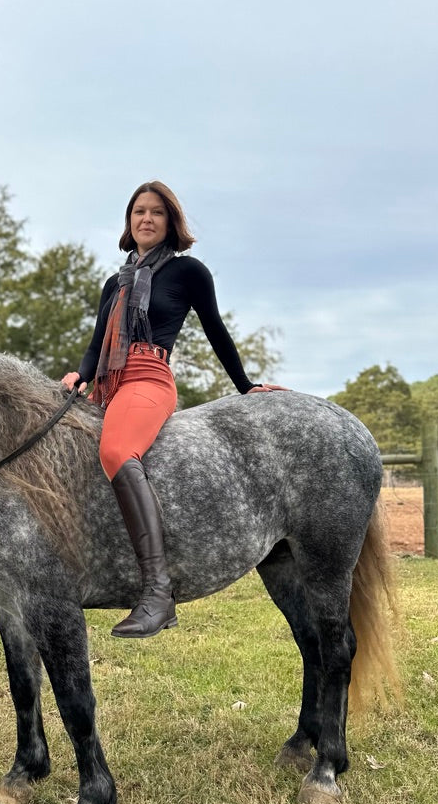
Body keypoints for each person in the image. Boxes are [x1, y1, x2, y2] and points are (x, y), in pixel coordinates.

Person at [61, 180, 286, 639]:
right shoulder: (116, 282)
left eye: (156, 213)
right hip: (107, 384)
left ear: (170, 222)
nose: (146, 219)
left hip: (148, 379)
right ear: (129, 221)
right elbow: (93, 347)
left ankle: (158, 594)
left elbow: (216, 331)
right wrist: (78, 376)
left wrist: (245, 385)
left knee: (116, 451)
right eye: (138, 211)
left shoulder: (188, 272)